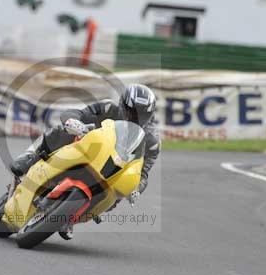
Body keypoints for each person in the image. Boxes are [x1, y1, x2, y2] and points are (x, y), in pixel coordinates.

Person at [9, 83, 160, 239]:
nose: (135, 118)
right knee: (63, 131)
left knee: (119, 193)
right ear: (122, 105)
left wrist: (137, 188)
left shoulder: (152, 140)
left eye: (141, 115)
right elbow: (78, 113)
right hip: (88, 148)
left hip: (113, 168)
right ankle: (32, 156)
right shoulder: (108, 108)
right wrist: (74, 122)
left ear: (149, 116)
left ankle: (72, 218)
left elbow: (144, 171)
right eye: (131, 112)